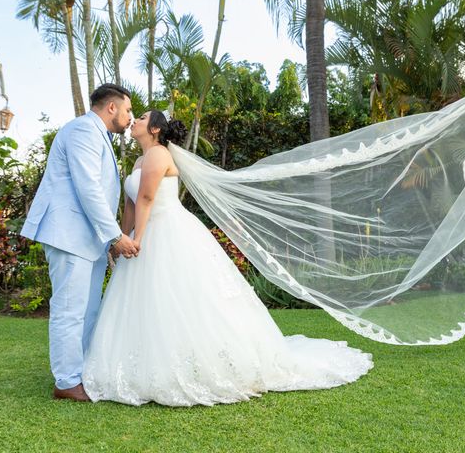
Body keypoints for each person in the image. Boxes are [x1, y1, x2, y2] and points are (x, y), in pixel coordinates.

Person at [82, 110, 374, 406]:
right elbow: (131, 203)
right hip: (143, 232)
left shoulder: (158, 155)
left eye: (142, 118)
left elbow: (147, 198)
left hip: (166, 232)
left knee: (181, 298)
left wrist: (137, 240)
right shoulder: (140, 161)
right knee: (148, 301)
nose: (135, 120)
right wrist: (121, 237)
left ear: (156, 129)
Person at [21, 84, 140, 401]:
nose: (130, 118)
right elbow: (88, 188)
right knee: (69, 309)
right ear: (111, 107)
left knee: (88, 310)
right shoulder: (83, 130)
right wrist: (114, 236)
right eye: (127, 110)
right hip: (70, 234)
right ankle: (66, 382)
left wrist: (106, 240)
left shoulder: (98, 135)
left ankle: (83, 371)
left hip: (89, 239)